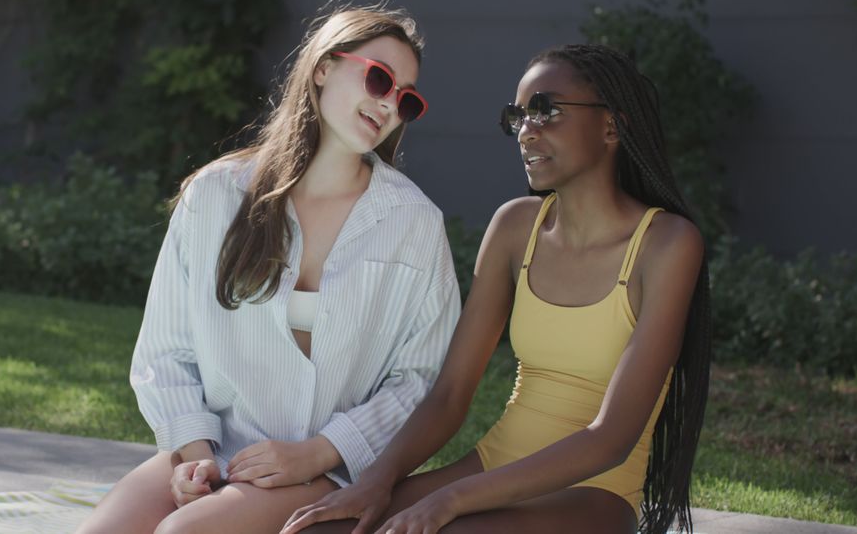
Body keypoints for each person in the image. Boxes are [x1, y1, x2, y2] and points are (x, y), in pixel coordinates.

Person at [282, 43, 712, 534]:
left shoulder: (668, 244)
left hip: (594, 493)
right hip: (492, 467)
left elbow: (609, 438)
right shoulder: (515, 226)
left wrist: (452, 500)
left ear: (611, 125)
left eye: (546, 111)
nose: (527, 132)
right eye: (519, 116)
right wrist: (377, 481)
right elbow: (449, 395)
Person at [75, 6, 460, 534]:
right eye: (378, 78)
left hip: (332, 469)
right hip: (219, 447)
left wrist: (320, 454)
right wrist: (194, 453)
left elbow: (419, 380)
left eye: (406, 99)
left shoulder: (414, 223)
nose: (389, 103)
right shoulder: (215, 194)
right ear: (323, 67)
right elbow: (167, 348)